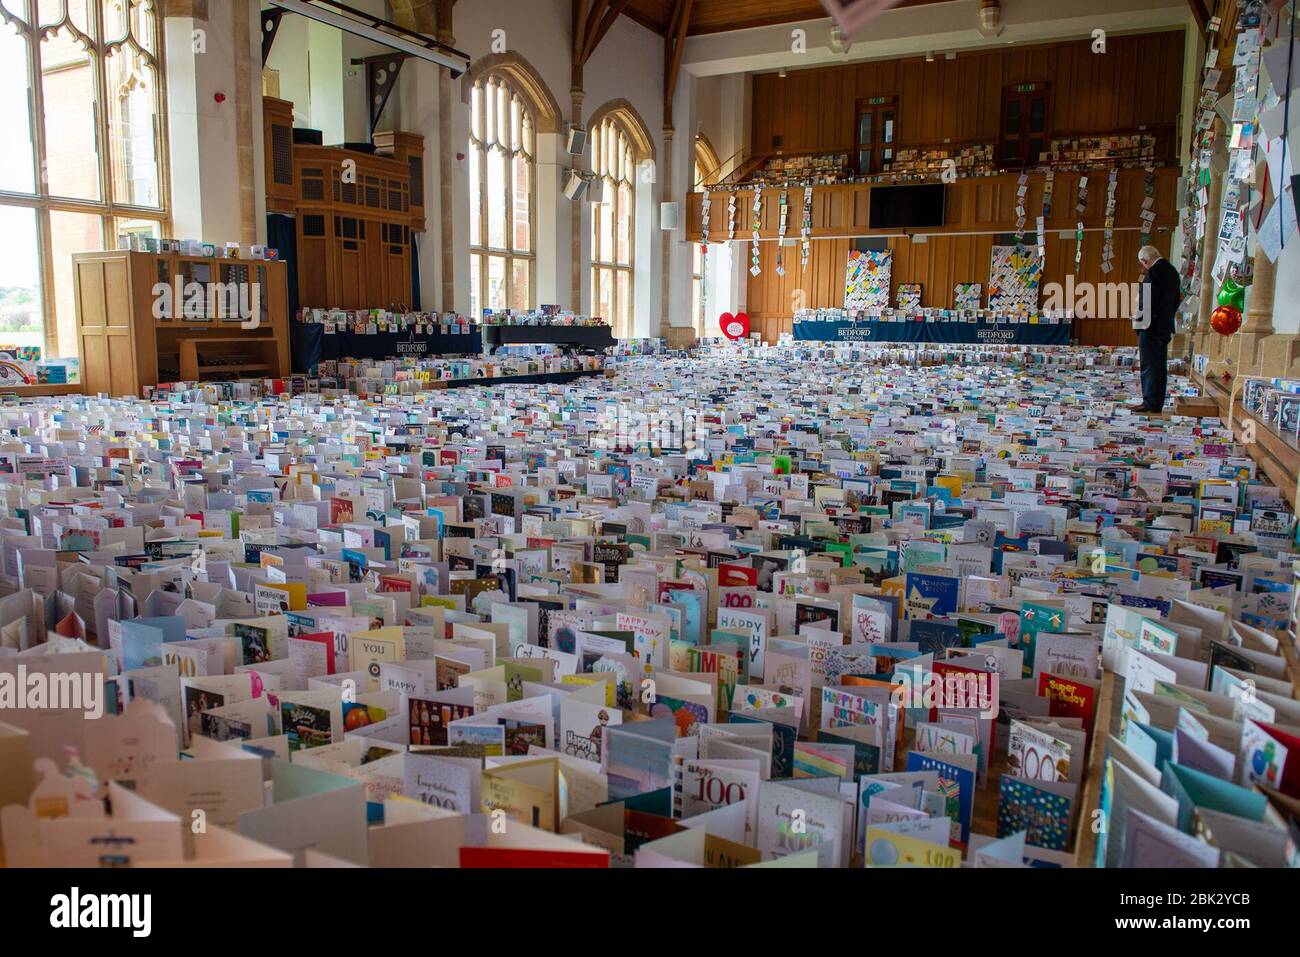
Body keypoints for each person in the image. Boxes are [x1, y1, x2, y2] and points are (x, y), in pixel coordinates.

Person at [1133, 245, 1182, 413]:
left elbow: (1147, 301)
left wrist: (1139, 323)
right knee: (1159, 365)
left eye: (1143, 264)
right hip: (1164, 326)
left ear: (1145, 261)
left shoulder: (1155, 273)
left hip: (1151, 326)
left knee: (1150, 364)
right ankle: (1156, 402)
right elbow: (1176, 300)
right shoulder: (1172, 272)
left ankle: (1150, 402)